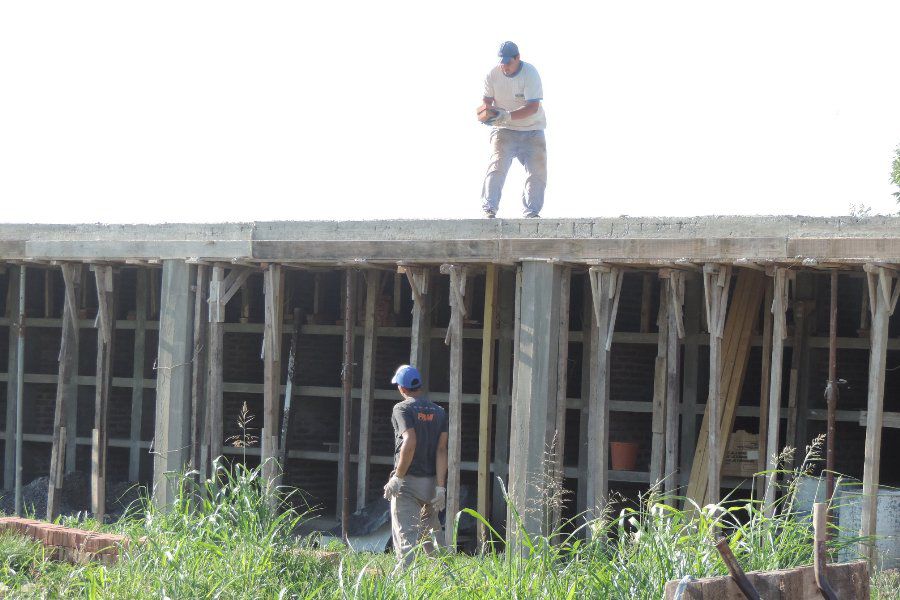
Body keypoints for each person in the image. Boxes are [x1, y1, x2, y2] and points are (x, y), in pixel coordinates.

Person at [383, 364, 449, 569]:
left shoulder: (401, 408)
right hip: (430, 486)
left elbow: (409, 442)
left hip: (408, 486)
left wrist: (397, 478)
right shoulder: (439, 412)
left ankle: (402, 586)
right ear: (419, 386)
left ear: (402, 388)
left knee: (406, 539)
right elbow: (441, 450)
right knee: (431, 538)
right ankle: (447, 581)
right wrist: (440, 487)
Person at [480, 40, 547, 219]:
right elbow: (486, 102)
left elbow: (533, 107)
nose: (505, 67)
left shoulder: (530, 74)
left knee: (537, 171)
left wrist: (507, 115)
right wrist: (486, 114)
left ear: (517, 58)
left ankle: (532, 214)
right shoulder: (492, 75)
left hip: (532, 129)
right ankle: (489, 209)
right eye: (502, 62)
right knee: (497, 164)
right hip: (504, 130)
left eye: (509, 62)